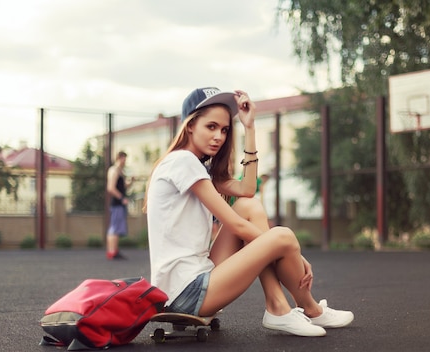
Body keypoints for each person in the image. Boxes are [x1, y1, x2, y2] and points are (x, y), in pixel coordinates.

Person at [144, 87, 354, 336]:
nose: (219, 137)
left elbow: (246, 189)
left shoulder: (195, 167)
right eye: (210, 127)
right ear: (190, 126)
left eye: (223, 130)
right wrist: (292, 251)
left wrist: (250, 128)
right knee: (283, 236)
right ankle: (295, 308)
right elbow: (237, 226)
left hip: (196, 279)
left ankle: (286, 307)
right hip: (186, 293)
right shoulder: (183, 161)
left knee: (249, 207)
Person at [106, 151, 129, 260]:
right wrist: (121, 198)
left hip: (119, 203)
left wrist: (131, 182)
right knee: (114, 227)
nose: (125, 161)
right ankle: (112, 251)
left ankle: (114, 250)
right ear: (119, 158)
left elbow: (122, 187)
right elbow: (111, 188)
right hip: (117, 203)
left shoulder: (120, 171)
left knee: (117, 227)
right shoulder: (114, 170)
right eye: (124, 158)